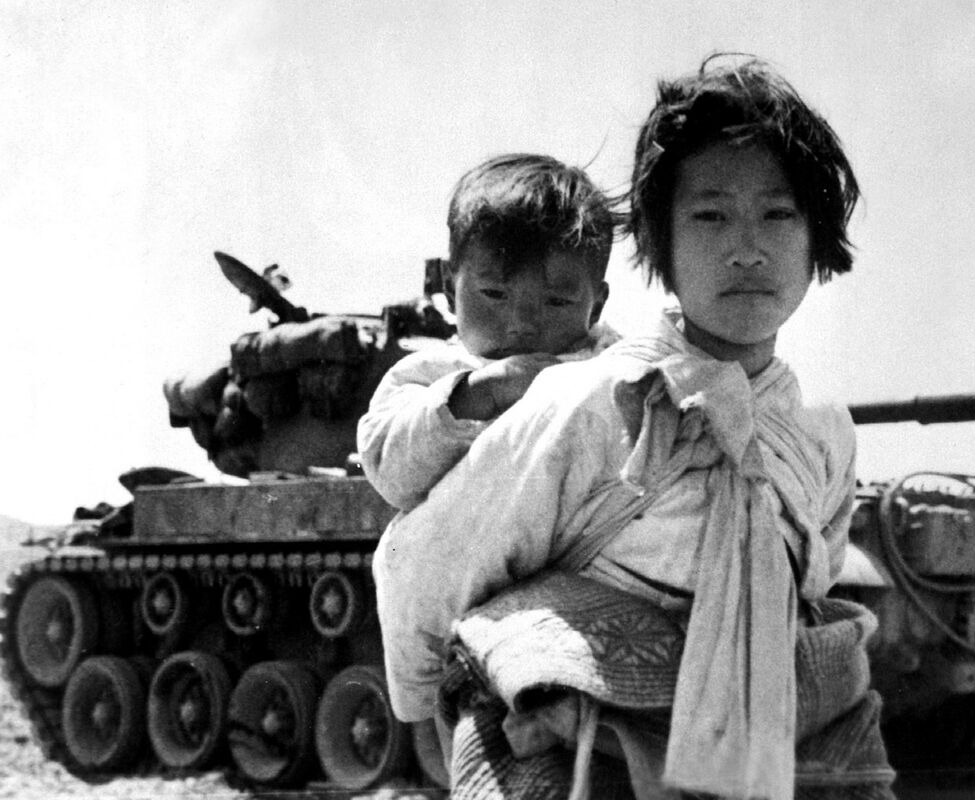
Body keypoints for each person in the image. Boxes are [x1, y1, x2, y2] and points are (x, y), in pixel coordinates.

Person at [374, 57, 895, 799]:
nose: (747, 248)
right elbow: (429, 559)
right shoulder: (585, 402)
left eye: (778, 215)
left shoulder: (823, 434)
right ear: (660, 245)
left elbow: (812, 579)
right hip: (585, 757)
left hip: (768, 746)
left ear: (818, 242)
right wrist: (422, 708)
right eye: (710, 216)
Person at [357, 153, 616, 514]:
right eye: (495, 294)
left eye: (556, 301)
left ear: (596, 306)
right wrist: (476, 395)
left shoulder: (614, 371)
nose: (522, 325)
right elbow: (388, 470)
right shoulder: (428, 376)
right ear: (450, 288)